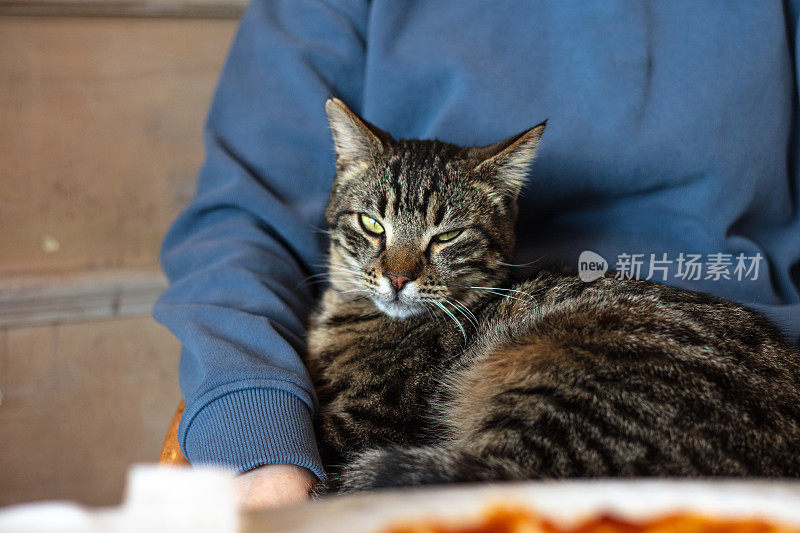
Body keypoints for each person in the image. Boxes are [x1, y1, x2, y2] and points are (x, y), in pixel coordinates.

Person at [153, 1, 800, 508]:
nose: (400, 272)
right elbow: (244, 220)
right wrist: (257, 429)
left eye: (438, 240)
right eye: (378, 232)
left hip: (706, 368)